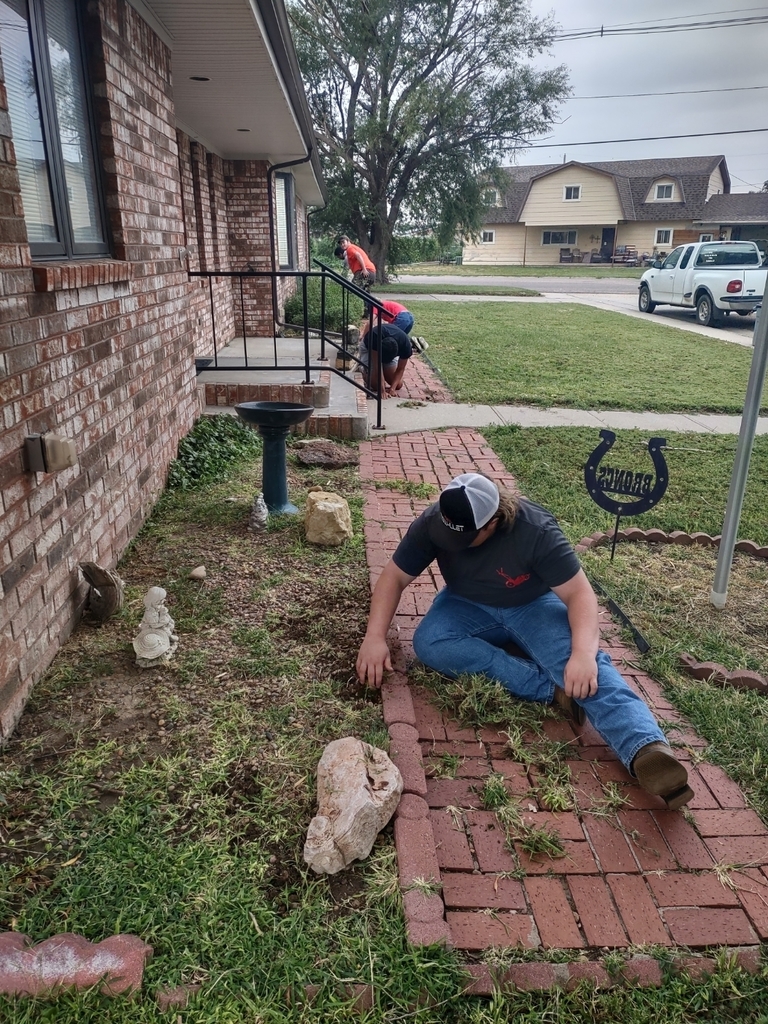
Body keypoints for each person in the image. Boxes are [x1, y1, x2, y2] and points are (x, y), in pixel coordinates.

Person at [356, 472, 694, 811]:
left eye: (465, 537)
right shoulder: (436, 521)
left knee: (582, 667)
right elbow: (394, 576)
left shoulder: (536, 530)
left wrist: (582, 653)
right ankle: (553, 690)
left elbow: (580, 594)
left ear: (493, 522)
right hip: (465, 603)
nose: (453, 542)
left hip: (532, 605)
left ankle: (646, 749)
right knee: (430, 642)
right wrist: (374, 637)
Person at [359, 323, 413, 396]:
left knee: (398, 385)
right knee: (376, 385)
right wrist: (382, 391)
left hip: (387, 351)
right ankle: (363, 370)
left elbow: (400, 369)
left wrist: (392, 389)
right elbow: (377, 366)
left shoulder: (405, 346)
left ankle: (384, 373)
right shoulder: (375, 337)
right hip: (369, 348)